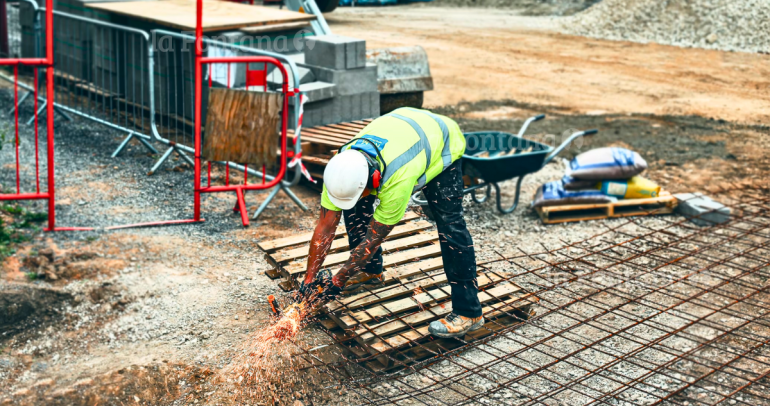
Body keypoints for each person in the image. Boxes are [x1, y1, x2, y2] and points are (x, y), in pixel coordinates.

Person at [298, 107, 482, 338]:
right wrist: (309, 279)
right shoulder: (342, 167)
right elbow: (325, 227)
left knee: (450, 226)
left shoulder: (398, 178)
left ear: (375, 180)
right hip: (403, 128)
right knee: (354, 207)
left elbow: (372, 240)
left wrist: (337, 281)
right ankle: (371, 272)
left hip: (442, 141)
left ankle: (469, 311)